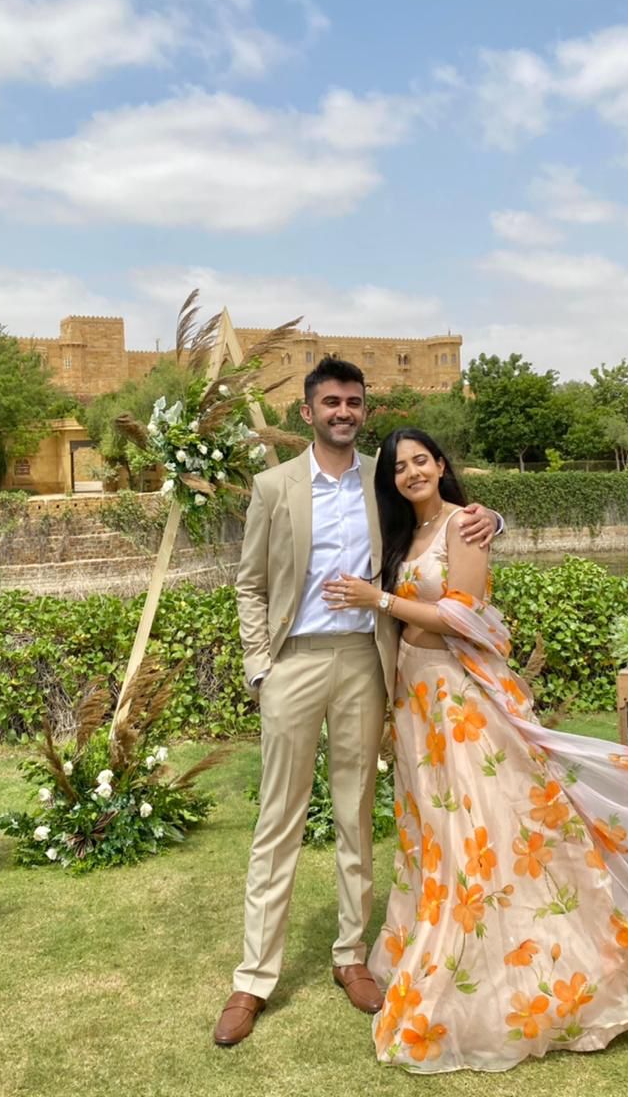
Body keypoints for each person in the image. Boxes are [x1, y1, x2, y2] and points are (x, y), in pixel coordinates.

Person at [325, 426, 628, 1074]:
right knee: (436, 835)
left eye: (421, 460)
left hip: (461, 698)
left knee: (484, 827)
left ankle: (525, 973)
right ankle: (443, 946)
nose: (411, 472)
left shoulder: (463, 526)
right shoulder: (405, 536)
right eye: (399, 466)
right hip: (415, 703)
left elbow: (466, 612)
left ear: (441, 465)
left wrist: (380, 598)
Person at [214, 361, 502, 1047]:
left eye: (353, 402)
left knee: (356, 816)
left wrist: (495, 516)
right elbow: (249, 584)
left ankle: (350, 956)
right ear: (307, 413)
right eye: (331, 402)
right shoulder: (273, 487)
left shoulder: (384, 478)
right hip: (296, 663)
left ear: (363, 411)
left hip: (368, 666)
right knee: (277, 820)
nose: (343, 410)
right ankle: (253, 979)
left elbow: (445, 512)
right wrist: (261, 668)